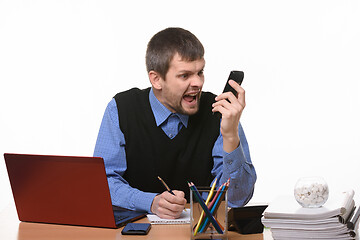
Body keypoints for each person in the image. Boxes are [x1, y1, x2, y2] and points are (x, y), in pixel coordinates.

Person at [94, 27, 256, 219]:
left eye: (200, 72)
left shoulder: (220, 113)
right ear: (156, 79)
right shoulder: (121, 109)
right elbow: (102, 182)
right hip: (135, 231)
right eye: (184, 75)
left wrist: (230, 136)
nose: (197, 82)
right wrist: (151, 202)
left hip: (199, 232)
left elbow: (237, 199)